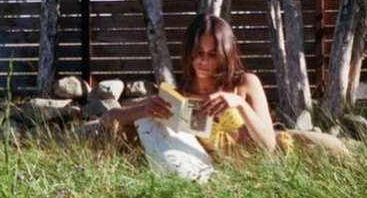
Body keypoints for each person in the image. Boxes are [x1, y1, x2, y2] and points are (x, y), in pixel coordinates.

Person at [100, 14, 277, 158]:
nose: (204, 61)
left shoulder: (245, 84)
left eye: (213, 54)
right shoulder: (180, 98)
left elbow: (269, 144)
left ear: (225, 54)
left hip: (258, 173)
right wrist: (144, 109)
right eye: (198, 53)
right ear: (189, 52)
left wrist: (239, 103)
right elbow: (107, 118)